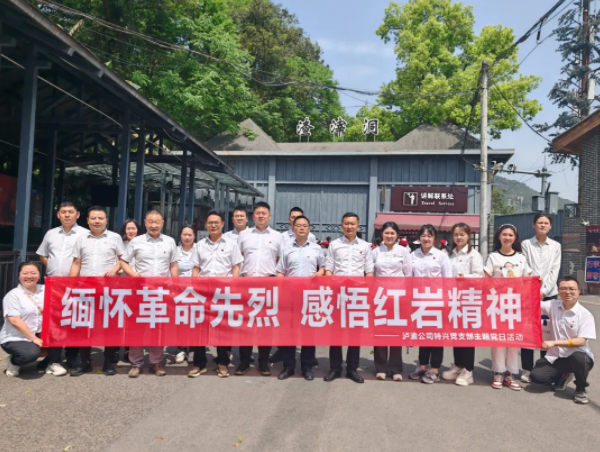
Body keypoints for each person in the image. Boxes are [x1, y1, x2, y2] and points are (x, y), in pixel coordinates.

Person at [121, 210, 179, 377]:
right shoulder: (136, 241)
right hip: (140, 292)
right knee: (137, 327)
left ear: (162, 223)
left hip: (161, 293)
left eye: (157, 222)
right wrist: (133, 275)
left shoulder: (169, 241)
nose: (154, 225)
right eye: (150, 222)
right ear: (145, 223)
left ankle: (156, 362)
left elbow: (173, 265)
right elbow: (123, 262)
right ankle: (136, 363)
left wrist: (175, 286)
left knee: (158, 328)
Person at [69, 206, 125, 377]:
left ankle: (109, 361)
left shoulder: (115, 238)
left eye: (100, 218)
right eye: (93, 218)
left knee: (109, 326)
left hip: (108, 290)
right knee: (84, 326)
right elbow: (76, 263)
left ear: (106, 220)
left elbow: (123, 260)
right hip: (85, 289)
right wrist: (71, 284)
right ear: (87, 220)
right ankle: (85, 362)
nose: (97, 221)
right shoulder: (81, 239)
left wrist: (114, 270)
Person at [189, 210, 243, 378]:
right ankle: (199, 363)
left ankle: (222, 362)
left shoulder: (231, 244)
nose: (213, 225)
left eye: (216, 223)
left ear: (222, 224)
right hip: (204, 292)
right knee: (200, 329)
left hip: (223, 293)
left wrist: (233, 288)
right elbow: (196, 269)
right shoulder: (199, 245)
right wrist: (195, 289)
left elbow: (236, 267)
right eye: (210, 223)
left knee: (222, 329)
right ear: (206, 225)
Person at [36, 201, 89, 368]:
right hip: (53, 285)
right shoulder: (51, 234)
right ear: (58, 215)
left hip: (75, 285)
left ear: (77, 215)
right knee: (53, 322)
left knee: (74, 322)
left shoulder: (85, 234)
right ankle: (53, 357)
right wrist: (54, 269)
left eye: (70, 212)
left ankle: (72, 356)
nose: (67, 215)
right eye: (63, 212)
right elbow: (43, 255)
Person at [324, 212, 374, 384]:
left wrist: (367, 294)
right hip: (338, 294)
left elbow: (369, 271)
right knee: (335, 333)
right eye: (346, 223)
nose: (349, 226)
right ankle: (335, 368)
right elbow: (329, 269)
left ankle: (352, 368)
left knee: (355, 333)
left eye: (352, 224)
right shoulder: (334, 245)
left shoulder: (365, 246)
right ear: (342, 225)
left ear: (358, 226)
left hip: (357, 295)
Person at [530, 276, 596, 404]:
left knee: (579, 358)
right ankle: (564, 375)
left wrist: (554, 343)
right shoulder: (552, 305)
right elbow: (533, 303)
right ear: (558, 291)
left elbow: (581, 341)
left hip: (578, 358)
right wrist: (537, 287)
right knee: (536, 376)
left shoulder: (585, 315)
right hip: (557, 357)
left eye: (571, 289)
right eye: (563, 289)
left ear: (578, 292)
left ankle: (580, 389)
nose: (567, 292)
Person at [236, 201, 283, 376]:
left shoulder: (278, 236)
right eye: (258, 213)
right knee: (245, 325)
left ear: (269, 216)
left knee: (265, 325)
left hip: (268, 285)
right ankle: (244, 361)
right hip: (246, 284)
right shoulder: (244, 235)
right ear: (253, 216)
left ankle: (263, 362)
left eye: (264, 213)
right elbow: (238, 258)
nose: (261, 216)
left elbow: (280, 260)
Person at [276, 215, 325, 381]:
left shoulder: (317, 249)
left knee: (308, 333)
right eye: (298, 225)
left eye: (305, 226)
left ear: (309, 229)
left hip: (310, 297)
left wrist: (319, 273)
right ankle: (288, 367)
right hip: (290, 297)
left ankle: (307, 367)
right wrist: (281, 291)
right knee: (289, 333)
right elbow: (280, 271)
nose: (302, 228)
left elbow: (324, 267)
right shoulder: (286, 248)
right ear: (293, 229)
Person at [484, 224, 532, 391]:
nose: (507, 238)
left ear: (515, 238)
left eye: (510, 235)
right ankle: (498, 372)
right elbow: (486, 280)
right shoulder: (493, 257)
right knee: (498, 339)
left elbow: (527, 279)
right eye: (504, 234)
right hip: (497, 304)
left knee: (513, 340)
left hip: (516, 305)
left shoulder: (521, 257)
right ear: (499, 237)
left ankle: (510, 374)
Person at [1, 262, 67, 377]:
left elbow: (65, 293)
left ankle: (53, 363)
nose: (29, 276)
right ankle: (13, 361)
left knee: (58, 333)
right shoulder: (12, 295)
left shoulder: (46, 289)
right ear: (19, 275)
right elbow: (15, 321)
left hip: (40, 331)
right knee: (31, 354)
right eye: (25, 273)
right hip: (16, 336)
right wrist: (34, 339)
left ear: (39, 275)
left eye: (33, 273)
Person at [520, 213, 562, 383]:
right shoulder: (526, 244)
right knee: (527, 331)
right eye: (540, 223)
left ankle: (543, 367)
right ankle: (527, 368)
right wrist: (534, 289)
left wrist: (543, 291)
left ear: (550, 226)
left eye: (546, 223)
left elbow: (554, 270)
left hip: (549, 294)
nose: (542, 225)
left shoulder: (556, 246)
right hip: (528, 293)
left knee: (547, 332)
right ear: (534, 225)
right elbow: (525, 267)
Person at [442, 223, 484, 386]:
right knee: (456, 333)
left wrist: (464, 276)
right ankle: (458, 365)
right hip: (453, 298)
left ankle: (468, 370)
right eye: (456, 234)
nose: (459, 237)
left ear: (468, 236)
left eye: (462, 234)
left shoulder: (474, 255)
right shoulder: (448, 254)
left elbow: (480, 276)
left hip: (468, 299)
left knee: (467, 334)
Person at [409, 225, 452, 384]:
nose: (426, 239)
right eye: (423, 236)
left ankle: (434, 370)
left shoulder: (441, 256)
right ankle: (422, 366)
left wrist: (447, 302)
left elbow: (448, 279)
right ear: (419, 238)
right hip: (419, 301)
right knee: (423, 335)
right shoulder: (412, 255)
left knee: (436, 337)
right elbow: (409, 278)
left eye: (429, 236)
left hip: (436, 302)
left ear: (434, 238)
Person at [372, 221, 411, 381]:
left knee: (396, 332)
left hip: (398, 296)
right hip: (380, 297)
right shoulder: (375, 252)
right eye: (386, 233)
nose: (389, 236)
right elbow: (371, 273)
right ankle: (381, 367)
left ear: (397, 235)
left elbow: (408, 274)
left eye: (392, 233)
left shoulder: (404, 251)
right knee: (380, 331)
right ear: (382, 234)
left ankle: (395, 369)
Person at [174, 223, 197, 365]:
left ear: (194, 236)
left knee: (195, 321)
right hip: (180, 291)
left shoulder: (200, 249)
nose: (187, 237)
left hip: (197, 291)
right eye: (184, 235)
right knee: (181, 321)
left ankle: (193, 349)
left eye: (190, 235)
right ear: (180, 236)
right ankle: (181, 349)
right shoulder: (175, 251)